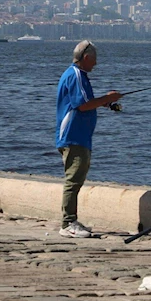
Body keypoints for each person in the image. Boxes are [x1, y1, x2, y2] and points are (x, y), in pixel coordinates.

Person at [55, 40, 123, 238]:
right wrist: (108, 97)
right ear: (86, 58)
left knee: (76, 178)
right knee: (73, 179)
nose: (96, 64)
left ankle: (71, 220)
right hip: (73, 135)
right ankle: (67, 223)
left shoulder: (78, 75)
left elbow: (84, 102)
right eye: (94, 60)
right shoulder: (76, 75)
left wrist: (105, 103)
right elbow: (83, 105)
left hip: (80, 136)